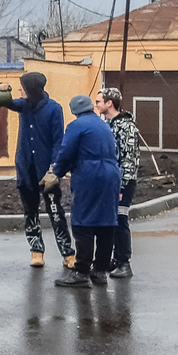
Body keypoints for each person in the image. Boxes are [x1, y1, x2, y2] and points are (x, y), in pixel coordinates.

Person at [47, 95, 121, 288]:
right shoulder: (103, 124)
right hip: (111, 174)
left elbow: (66, 151)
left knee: (83, 222)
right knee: (106, 222)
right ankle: (100, 271)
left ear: (73, 110)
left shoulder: (76, 126)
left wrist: (56, 172)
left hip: (90, 175)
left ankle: (81, 272)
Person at [6, 71, 76, 269]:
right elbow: (8, 103)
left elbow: (57, 142)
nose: (20, 89)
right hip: (25, 168)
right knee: (30, 212)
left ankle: (67, 253)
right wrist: (0, 93)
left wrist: (54, 170)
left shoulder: (54, 109)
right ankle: (36, 252)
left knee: (55, 211)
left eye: (23, 86)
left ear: (32, 89)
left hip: (46, 172)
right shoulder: (23, 106)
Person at [95, 86, 139, 279]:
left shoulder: (126, 126)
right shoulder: (108, 124)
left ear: (109, 104)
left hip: (122, 183)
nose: (96, 105)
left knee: (120, 219)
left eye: (98, 101)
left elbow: (129, 158)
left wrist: (122, 186)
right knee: (111, 220)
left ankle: (124, 262)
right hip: (110, 181)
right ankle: (114, 259)